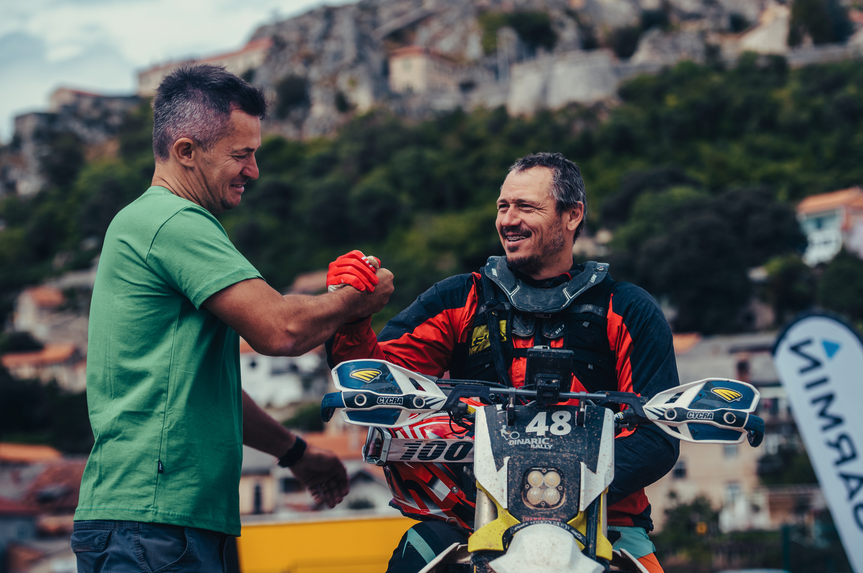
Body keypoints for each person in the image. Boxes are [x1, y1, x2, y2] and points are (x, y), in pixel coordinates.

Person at [72, 65, 394, 572]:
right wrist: (357, 300)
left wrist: (295, 454)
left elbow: (205, 393)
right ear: (185, 152)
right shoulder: (173, 220)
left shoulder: (149, 222)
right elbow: (281, 329)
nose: (254, 170)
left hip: (164, 523)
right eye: (241, 155)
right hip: (156, 527)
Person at [327, 152, 679, 573]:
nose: (508, 219)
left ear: (572, 215)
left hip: (606, 523)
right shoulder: (459, 298)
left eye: (526, 207)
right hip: (472, 521)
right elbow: (376, 379)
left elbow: (659, 435)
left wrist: (565, 484)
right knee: (414, 555)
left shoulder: (629, 308)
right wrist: (350, 314)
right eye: (503, 206)